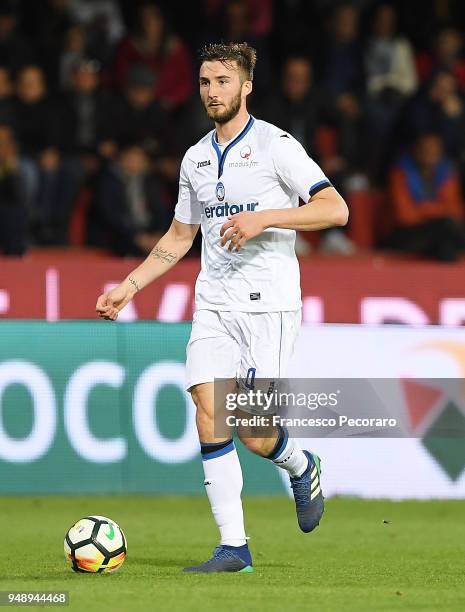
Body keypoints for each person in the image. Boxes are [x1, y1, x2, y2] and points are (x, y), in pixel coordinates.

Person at [96, 42, 348, 573]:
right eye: (207, 82)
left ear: (246, 85)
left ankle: (301, 464)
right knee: (208, 412)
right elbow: (182, 233)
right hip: (213, 303)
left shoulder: (277, 147)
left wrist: (266, 218)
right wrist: (131, 285)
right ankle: (234, 546)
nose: (213, 92)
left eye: (224, 82)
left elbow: (335, 209)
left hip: (268, 306)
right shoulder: (196, 158)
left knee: (255, 432)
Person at [389, 132, 465, 261]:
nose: (430, 154)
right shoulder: (401, 173)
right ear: (416, 150)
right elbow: (405, 216)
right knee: (446, 227)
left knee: (447, 246)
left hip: (439, 231)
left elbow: (456, 210)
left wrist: (424, 208)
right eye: (426, 150)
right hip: (407, 234)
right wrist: (437, 210)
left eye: (435, 150)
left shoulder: (446, 173)